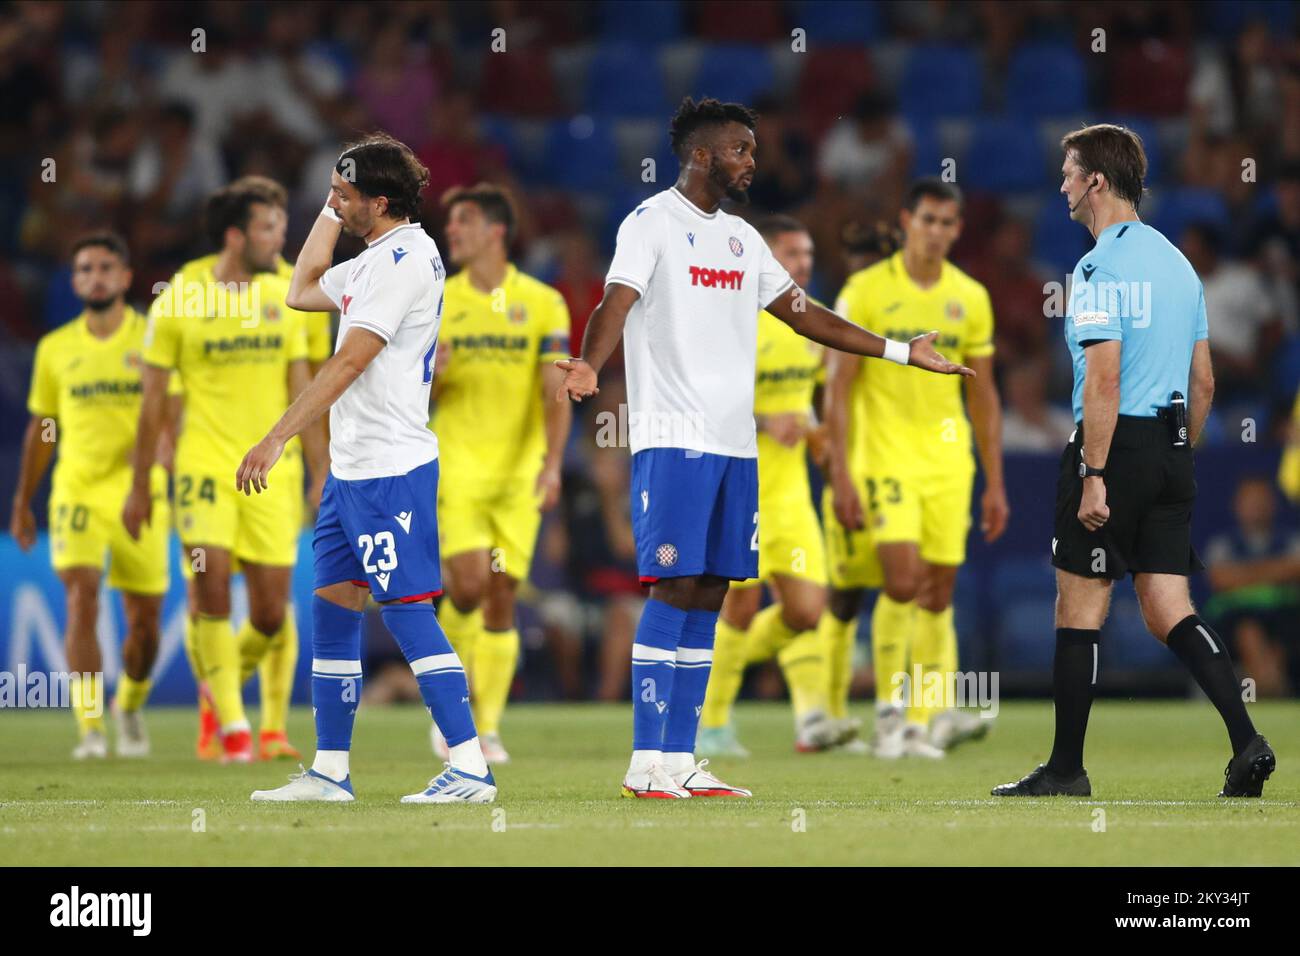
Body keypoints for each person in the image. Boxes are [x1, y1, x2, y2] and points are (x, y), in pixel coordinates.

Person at [556, 97, 972, 799]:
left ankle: (682, 759)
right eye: (740, 150)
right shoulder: (651, 223)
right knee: (674, 585)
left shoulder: (743, 240)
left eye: (753, 149)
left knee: (713, 591)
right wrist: (592, 364)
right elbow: (616, 303)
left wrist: (901, 351)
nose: (753, 161)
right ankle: (644, 761)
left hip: (733, 447)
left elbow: (806, 315)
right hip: (674, 438)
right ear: (701, 155)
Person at [993, 124, 1275, 798]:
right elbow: (1203, 382)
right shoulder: (1179, 264)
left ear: (1095, 181)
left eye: (1068, 172)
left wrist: (1095, 473)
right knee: (1167, 605)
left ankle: (1066, 770)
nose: (1060, 184)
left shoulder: (1097, 268)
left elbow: (1103, 381)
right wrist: (1177, 454)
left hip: (1112, 446)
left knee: (1079, 605)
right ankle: (1247, 742)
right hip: (1173, 446)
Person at [242, 132, 495, 804]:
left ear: (379, 202)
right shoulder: (373, 257)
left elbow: (349, 360)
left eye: (345, 196)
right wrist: (330, 207)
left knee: (408, 612)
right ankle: (330, 771)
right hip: (352, 472)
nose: (332, 204)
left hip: (390, 468)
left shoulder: (405, 259)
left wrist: (276, 439)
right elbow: (299, 288)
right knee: (333, 611)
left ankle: (470, 765)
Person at [124, 177, 327, 763]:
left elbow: (306, 395)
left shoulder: (290, 298)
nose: (280, 241)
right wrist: (141, 486)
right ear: (236, 235)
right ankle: (236, 727)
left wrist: (322, 472)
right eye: (269, 229)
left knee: (267, 613)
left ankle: (219, 690)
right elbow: (152, 404)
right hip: (203, 467)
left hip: (272, 473)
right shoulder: (181, 297)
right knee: (209, 585)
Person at [823, 178, 1008, 759]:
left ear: (958, 229)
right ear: (906, 221)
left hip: (949, 464)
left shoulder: (970, 296)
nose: (936, 232)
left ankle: (923, 724)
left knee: (936, 595)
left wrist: (994, 480)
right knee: (900, 582)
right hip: (885, 457)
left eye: (947, 223)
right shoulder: (865, 291)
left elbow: (984, 395)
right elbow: (838, 388)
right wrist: (841, 474)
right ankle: (888, 716)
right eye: (927, 219)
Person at [10, 233, 170, 758]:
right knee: (81, 598)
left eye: (105, 267)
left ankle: (129, 704)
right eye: (84, 269)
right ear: (75, 281)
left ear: (125, 278)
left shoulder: (153, 338)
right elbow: (44, 426)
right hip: (77, 490)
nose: (94, 276)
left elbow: (172, 416)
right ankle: (92, 728)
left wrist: (154, 472)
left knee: (145, 623)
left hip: (140, 493)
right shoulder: (56, 349)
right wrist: (21, 502)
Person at [428, 182, 572, 764]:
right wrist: (434, 374)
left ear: (495, 231)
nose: (451, 231)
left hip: (519, 472)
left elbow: (555, 390)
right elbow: (415, 394)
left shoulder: (542, 302)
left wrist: (554, 462)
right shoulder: (439, 299)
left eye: (461, 221)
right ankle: (452, 713)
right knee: (466, 586)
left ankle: (481, 729)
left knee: (501, 597)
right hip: (457, 466)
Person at [698, 214, 844, 758]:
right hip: (738, 487)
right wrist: (763, 422)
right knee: (737, 605)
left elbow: (810, 400)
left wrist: (815, 432)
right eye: (791, 253)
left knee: (806, 609)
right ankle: (712, 723)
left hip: (790, 494)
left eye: (807, 253)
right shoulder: (736, 321)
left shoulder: (811, 327)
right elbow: (705, 403)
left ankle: (709, 681)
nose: (803, 263)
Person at [1202, 477, 1300, 697]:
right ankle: (1271, 687)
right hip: (1236, 619)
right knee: (1249, 631)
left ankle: (1265, 686)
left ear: (1273, 504)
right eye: (1250, 500)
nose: (1256, 506)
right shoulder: (1222, 544)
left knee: (1283, 634)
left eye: (1261, 500)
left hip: (1286, 617)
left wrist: (1244, 573)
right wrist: (1276, 570)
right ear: (1238, 506)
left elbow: (1296, 570)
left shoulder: (1292, 540)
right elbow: (1220, 579)